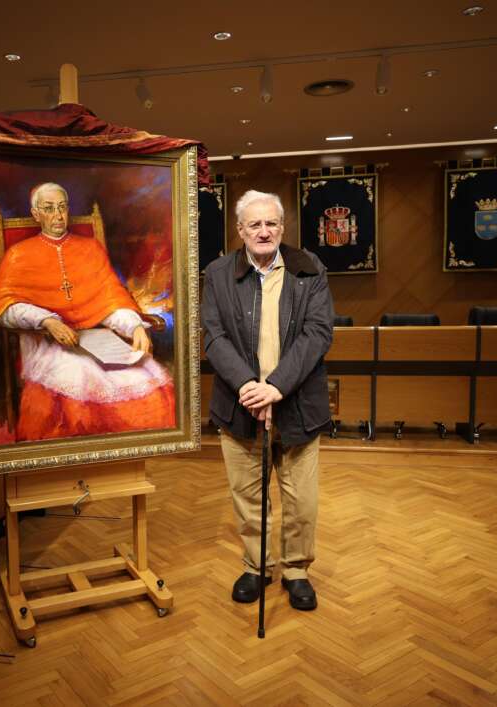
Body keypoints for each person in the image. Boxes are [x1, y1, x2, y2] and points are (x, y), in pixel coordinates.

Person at [201, 189, 333, 611]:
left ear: (282, 227)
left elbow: (318, 333)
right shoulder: (218, 273)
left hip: (297, 405)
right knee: (248, 497)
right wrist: (247, 385)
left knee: (301, 500)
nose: (264, 231)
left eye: (271, 223)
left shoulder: (309, 268)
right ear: (240, 230)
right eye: (254, 224)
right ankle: (257, 566)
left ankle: (296, 570)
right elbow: (212, 336)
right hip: (239, 406)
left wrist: (275, 386)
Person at [0, 182, 175, 441]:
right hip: (46, 342)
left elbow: (109, 300)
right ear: (36, 215)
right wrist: (47, 321)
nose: (57, 215)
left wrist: (134, 326)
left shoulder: (90, 250)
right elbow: (5, 307)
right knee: (78, 374)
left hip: (98, 339)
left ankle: (123, 454)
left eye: (61, 207)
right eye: (49, 209)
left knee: (140, 373)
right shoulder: (18, 255)